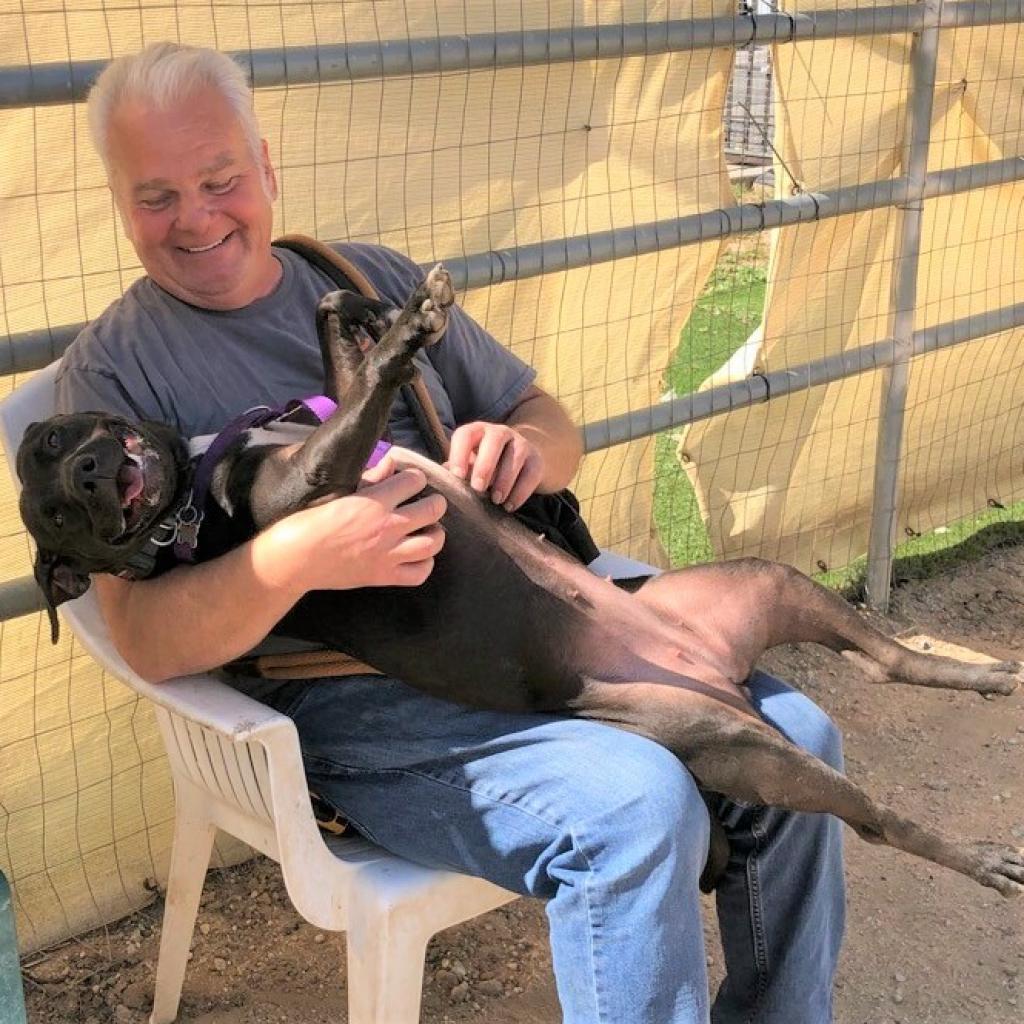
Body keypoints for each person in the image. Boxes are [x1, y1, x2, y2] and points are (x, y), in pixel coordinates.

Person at [56, 42, 846, 1024]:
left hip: (530, 631)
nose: (197, 218)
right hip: (346, 699)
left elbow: (548, 421)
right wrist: (293, 559)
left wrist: (524, 450)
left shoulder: (368, 278)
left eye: (219, 180)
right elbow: (142, 638)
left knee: (800, 739)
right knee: (635, 807)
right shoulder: (108, 390)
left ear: (266, 165)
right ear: (117, 201)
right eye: (156, 196)